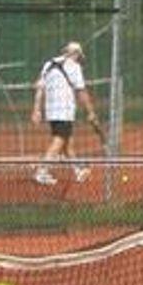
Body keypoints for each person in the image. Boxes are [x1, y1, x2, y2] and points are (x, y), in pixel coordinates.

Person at [30, 40, 98, 184]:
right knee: (60, 139)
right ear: (76, 54)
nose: (79, 59)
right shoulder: (75, 67)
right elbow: (81, 91)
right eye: (79, 56)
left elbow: (39, 87)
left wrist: (37, 109)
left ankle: (78, 171)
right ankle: (42, 171)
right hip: (64, 110)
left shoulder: (48, 64)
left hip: (51, 110)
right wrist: (90, 112)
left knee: (67, 143)